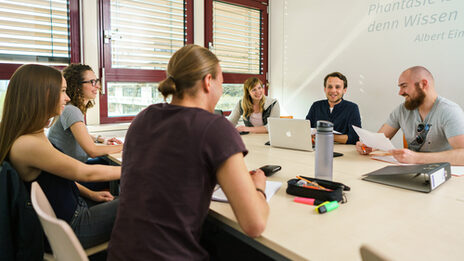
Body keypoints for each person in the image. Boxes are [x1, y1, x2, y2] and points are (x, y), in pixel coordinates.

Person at [108, 45, 269, 260]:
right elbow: (254, 224)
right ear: (208, 81)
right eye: (221, 83)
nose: (221, 91)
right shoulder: (216, 128)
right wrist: (258, 188)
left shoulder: (142, 118)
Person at [0, 64, 121, 249]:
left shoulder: (34, 134)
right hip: (72, 228)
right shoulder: (28, 144)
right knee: (145, 197)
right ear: (43, 95)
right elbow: (85, 173)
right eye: (63, 91)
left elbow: (61, 176)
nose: (68, 97)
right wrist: (139, 168)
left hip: (71, 214)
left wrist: (91, 194)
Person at [356, 66, 464, 165]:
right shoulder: (402, 110)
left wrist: (417, 158)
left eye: (404, 86)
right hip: (409, 171)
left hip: (443, 175)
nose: (400, 92)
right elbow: (379, 140)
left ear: (423, 84)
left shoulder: (449, 111)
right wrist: (368, 146)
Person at [48, 64, 123, 165]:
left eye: (96, 81)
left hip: (73, 166)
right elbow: (92, 151)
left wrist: (100, 139)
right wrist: (128, 146)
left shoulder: (70, 108)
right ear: (77, 86)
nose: (97, 86)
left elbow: (80, 135)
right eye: (92, 82)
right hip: (70, 174)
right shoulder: (71, 110)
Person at [305, 72, 361, 144]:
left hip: (343, 151)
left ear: (344, 90)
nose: (333, 90)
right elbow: (306, 131)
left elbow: (354, 138)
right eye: (330, 87)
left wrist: (326, 136)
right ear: (325, 89)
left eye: (337, 87)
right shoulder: (316, 106)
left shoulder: (352, 108)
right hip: (317, 148)